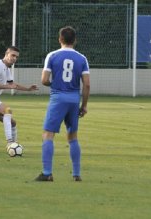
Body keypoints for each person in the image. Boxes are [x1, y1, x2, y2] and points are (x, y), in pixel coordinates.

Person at [35, 26, 90, 182]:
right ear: (75, 40)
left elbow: (44, 80)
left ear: (60, 39)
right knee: (72, 136)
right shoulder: (82, 58)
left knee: (48, 134)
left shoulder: (52, 56)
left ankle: (47, 173)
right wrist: (84, 105)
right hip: (74, 99)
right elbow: (86, 85)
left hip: (58, 98)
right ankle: (76, 174)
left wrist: (55, 84)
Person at [0, 46, 38, 149]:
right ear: (6, 54)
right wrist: (7, 86)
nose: (14, 58)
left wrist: (28, 89)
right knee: (7, 110)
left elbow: (13, 85)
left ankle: (14, 144)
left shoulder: (7, 69)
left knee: (13, 123)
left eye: (16, 57)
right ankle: (10, 143)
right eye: (12, 55)